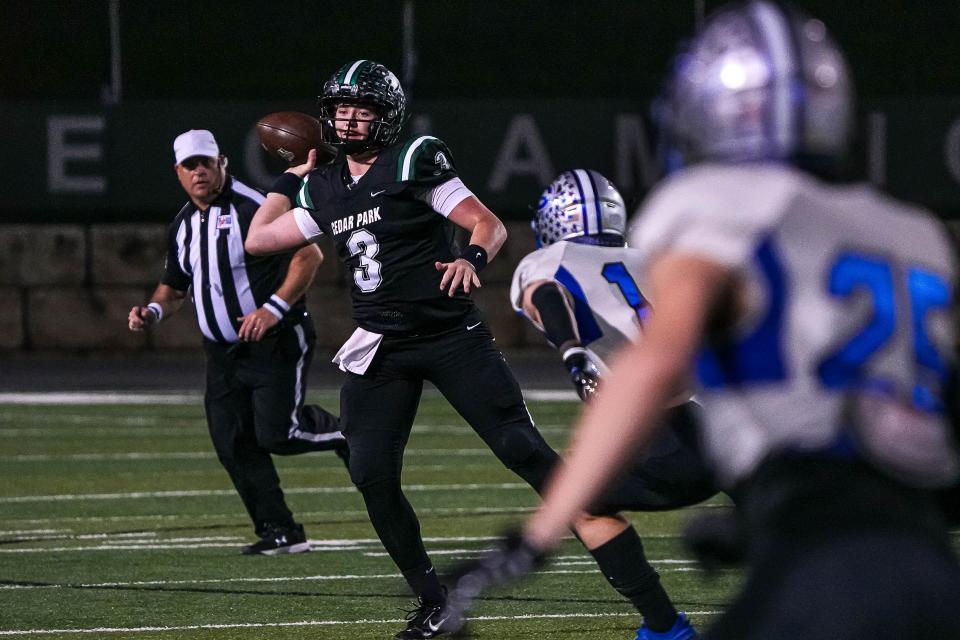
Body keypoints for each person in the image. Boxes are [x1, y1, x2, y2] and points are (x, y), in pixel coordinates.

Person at [443, 2, 960, 638]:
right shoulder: (913, 231)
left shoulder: (708, 204)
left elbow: (656, 360)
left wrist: (534, 537)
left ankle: (663, 624)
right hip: (925, 549)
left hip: (822, 548)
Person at [246, 60, 698, 640]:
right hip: (382, 346)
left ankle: (660, 618)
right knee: (370, 473)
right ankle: (433, 602)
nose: (351, 121)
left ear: (388, 118)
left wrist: (470, 258)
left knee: (526, 453)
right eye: (341, 110)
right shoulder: (324, 186)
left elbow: (486, 225)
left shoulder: (413, 159)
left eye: (364, 111)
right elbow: (260, 239)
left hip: (449, 336)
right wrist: (293, 175)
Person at [128, 129, 349, 556]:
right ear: (178, 172)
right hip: (223, 354)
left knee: (278, 435)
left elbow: (309, 256)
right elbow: (173, 288)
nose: (199, 172)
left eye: (205, 163)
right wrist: (150, 312)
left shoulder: (254, 206)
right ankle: (281, 530)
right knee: (232, 441)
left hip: (275, 340)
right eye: (190, 166)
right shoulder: (184, 224)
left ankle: (347, 434)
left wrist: (272, 310)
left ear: (222, 163)